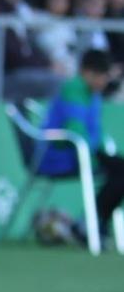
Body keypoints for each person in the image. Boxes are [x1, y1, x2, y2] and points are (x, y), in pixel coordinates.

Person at [40, 49, 124, 243]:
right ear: (87, 72)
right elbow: (75, 129)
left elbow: (95, 130)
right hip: (60, 154)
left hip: (85, 151)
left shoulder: (93, 94)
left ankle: (92, 223)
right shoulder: (73, 88)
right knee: (120, 172)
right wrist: (99, 155)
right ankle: (89, 224)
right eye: (101, 76)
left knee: (120, 172)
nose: (103, 82)